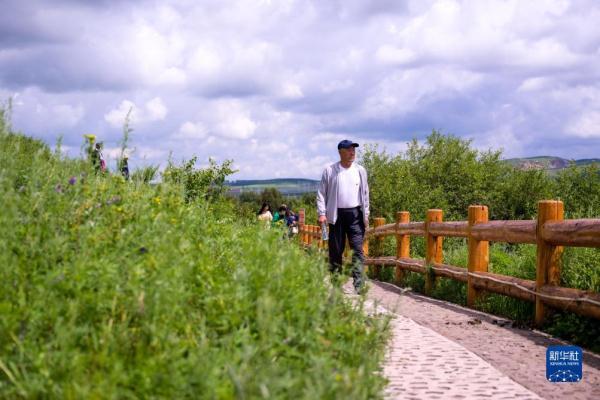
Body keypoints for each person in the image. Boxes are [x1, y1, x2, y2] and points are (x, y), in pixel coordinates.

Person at [317, 139, 370, 293]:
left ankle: (359, 285)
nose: (352, 152)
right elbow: (321, 194)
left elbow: (365, 194)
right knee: (336, 251)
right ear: (340, 152)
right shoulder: (330, 171)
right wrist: (322, 213)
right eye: (349, 150)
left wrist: (366, 214)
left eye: (354, 150)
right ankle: (336, 283)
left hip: (355, 215)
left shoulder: (360, 170)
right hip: (336, 215)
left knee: (358, 250)